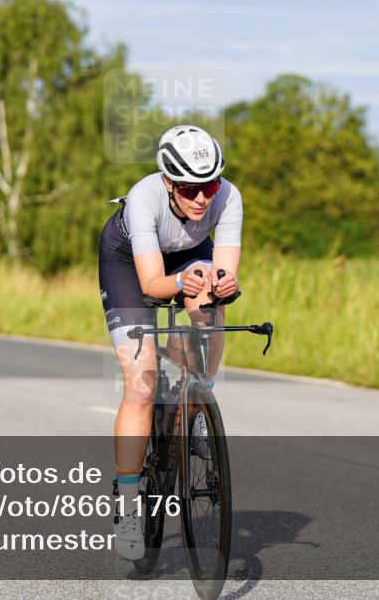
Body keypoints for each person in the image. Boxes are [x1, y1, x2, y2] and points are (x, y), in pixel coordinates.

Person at [97, 125, 242, 560]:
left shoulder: (229, 197)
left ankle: (201, 401)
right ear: (167, 182)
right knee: (141, 383)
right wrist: (180, 283)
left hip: (185, 254)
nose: (202, 199)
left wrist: (220, 285)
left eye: (209, 185)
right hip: (130, 262)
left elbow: (224, 272)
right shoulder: (145, 198)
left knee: (211, 310)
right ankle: (127, 508)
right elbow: (152, 283)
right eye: (189, 188)